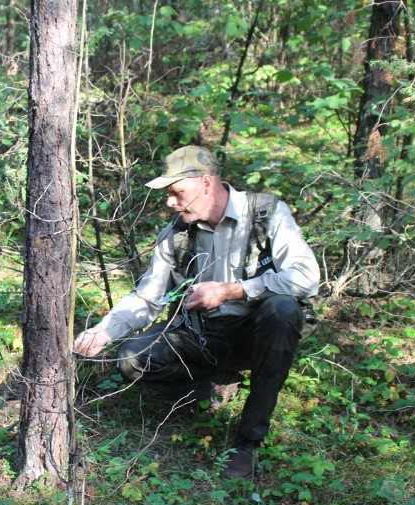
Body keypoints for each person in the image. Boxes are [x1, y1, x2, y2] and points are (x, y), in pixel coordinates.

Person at [73, 145, 320, 478]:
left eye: (177, 192)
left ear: (206, 183)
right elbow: (148, 296)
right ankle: (209, 390)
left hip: (258, 333)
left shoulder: (266, 213)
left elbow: (306, 278)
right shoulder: (176, 233)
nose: (170, 202)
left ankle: (247, 441)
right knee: (132, 358)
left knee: (283, 309)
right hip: (202, 337)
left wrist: (233, 290)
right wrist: (105, 330)